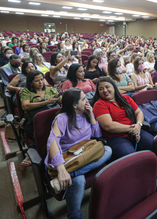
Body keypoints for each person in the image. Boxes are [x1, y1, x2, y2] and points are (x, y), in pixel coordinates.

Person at [45, 88, 112, 219]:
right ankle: (75, 216)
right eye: (83, 99)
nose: (87, 100)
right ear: (74, 104)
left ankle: (71, 172)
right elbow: (52, 142)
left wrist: (91, 114)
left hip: (86, 151)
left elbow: (97, 135)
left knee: (108, 149)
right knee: (78, 180)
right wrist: (60, 167)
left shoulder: (86, 113)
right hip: (70, 155)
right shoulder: (62, 118)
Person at [91, 77, 154, 159]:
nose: (105, 90)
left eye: (107, 87)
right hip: (116, 137)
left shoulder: (125, 98)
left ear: (114, 87)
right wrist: (132, 128)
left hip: (135, 131)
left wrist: (138, 125)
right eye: (101, 89)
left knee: (156, 145)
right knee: (132, 158)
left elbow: (139, 112)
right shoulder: (99, 104)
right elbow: (109, 126)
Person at [20, 70, 61, 170]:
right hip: (33, 125)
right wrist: (46, 102)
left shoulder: (49, 90)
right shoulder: (26, 91)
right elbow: (25, 106)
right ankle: (31, 154)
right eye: (37, 81)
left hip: (52, 122)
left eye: (42, 79)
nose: (40, 82)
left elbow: (60, 99)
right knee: (46, 129)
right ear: (30, 82)